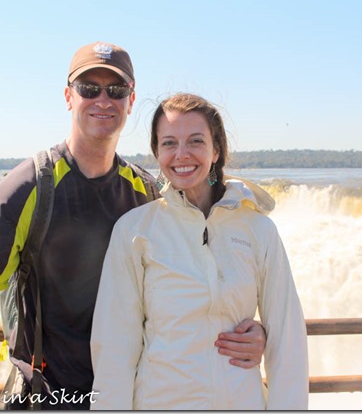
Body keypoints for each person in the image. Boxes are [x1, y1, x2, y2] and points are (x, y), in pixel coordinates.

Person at [0, 42, 267, 410]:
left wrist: (251, 331)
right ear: (68, 96)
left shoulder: (148, 193)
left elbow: (194, 287)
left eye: (116, 90)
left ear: (130, 99)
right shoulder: (29, 187)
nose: (103, 99)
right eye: (89, 88)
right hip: (49, 397)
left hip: (134, 395)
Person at [90, 93, 309, 410]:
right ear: (156, 151)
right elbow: (114, 347)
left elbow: (287, 341)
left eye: (195, 141)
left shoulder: (259, 230)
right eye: (168, 143)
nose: (181, 154)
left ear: (216, 149)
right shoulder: (135, 231)